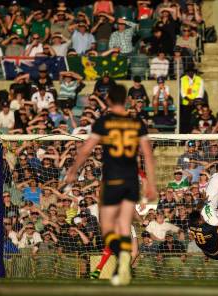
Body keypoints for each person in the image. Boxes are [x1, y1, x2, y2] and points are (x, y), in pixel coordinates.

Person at [64, 84, 156, 286]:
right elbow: (147, 154)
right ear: (127, 100)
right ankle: (124, 259)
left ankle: (122, 255)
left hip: (112, 179)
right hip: (131, 180)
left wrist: (72, 171)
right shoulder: (136, 122)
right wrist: (151, 183)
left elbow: (86, 148)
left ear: (108, 101)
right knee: (124, 224)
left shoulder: (104, 122)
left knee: (107, 229)